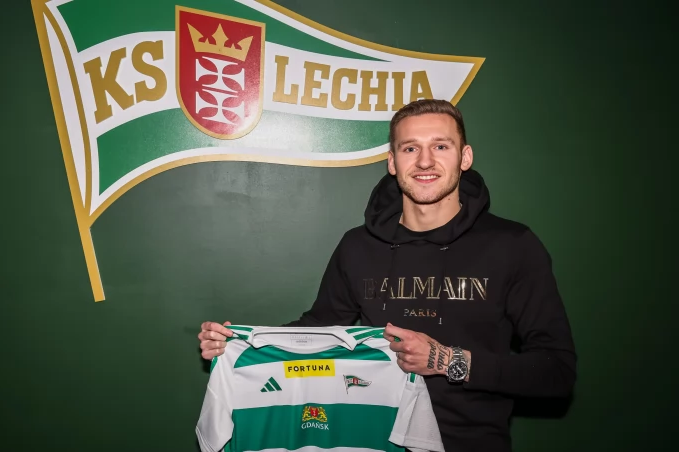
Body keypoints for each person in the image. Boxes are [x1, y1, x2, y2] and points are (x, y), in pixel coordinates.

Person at [197, 99, 577, 452]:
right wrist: (241, 344)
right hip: (372, 441)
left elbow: (556, 373)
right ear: (392, 162)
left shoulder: (512, 245)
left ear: (465, 157)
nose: (425, 161)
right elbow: (318, 330)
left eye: (440, 146)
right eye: (410, 148)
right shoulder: (358, 247)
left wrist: (447, 360)